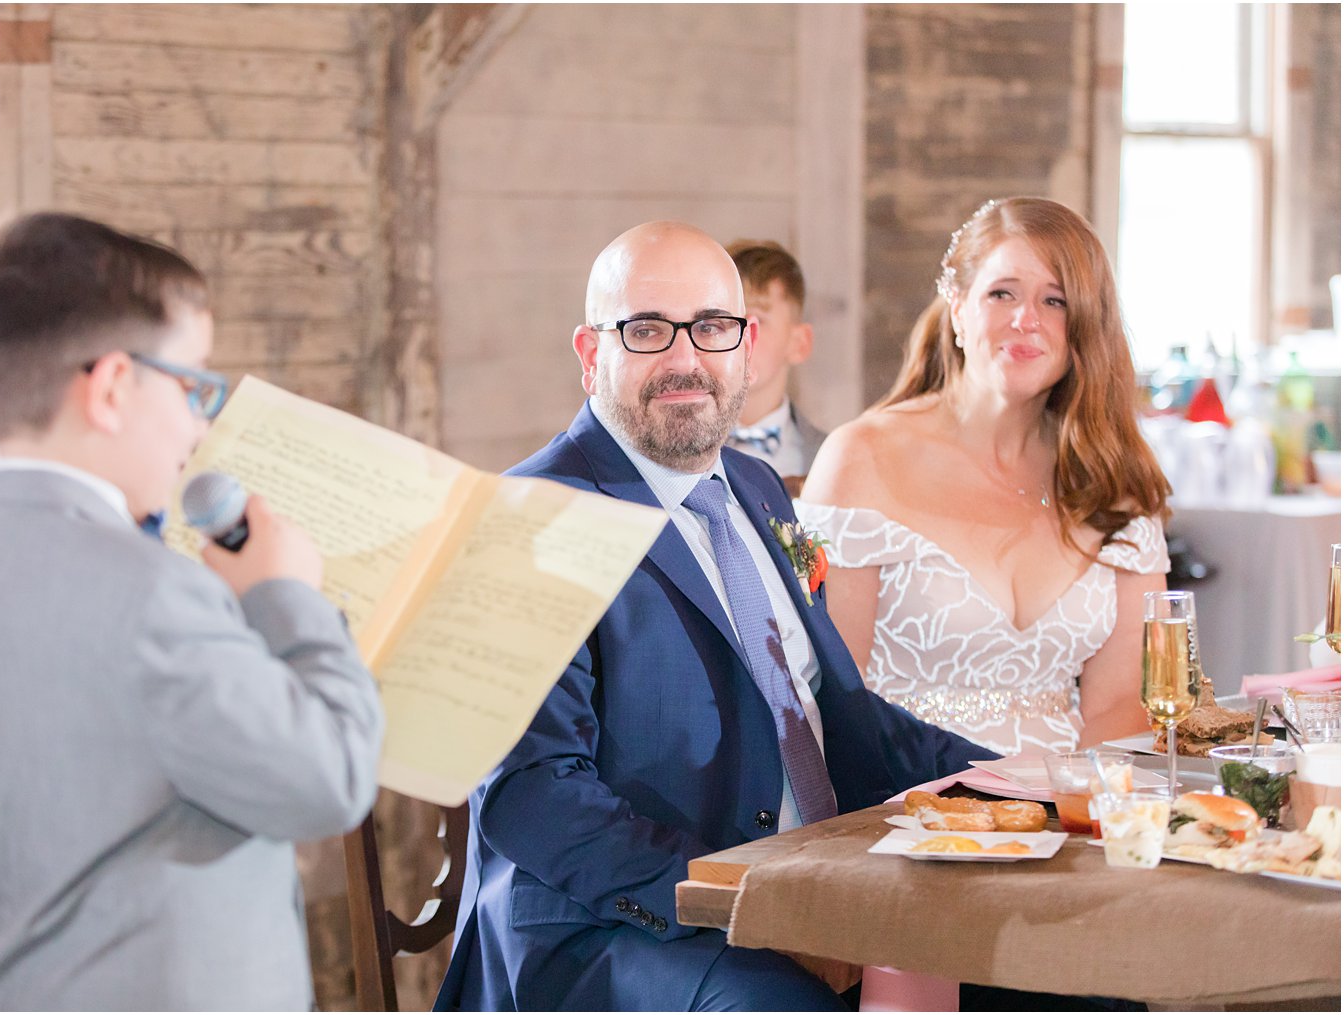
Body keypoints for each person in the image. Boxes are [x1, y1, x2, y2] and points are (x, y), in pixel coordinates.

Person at [434, 221, 996, 1013]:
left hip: (815, 885)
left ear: (748, 345)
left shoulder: (759, 488)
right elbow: (537, 797)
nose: (686, 359)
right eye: (647, 330)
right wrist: (748, 905)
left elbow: (833, 712)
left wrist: (1017, 784)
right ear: (591, 353)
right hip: (611, 931)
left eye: (711, 328)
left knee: (1073, 978)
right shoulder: (533, 517)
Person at [0, 213, 385, 1010]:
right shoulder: (155, 593)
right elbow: (329, 781)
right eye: (193, 383)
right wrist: (287, 593)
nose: (200, 424)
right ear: (113, 387)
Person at [797, 197, 1171, 756]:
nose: (1027, 319)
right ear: (958, 308)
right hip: (897, 808)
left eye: (1056, 300)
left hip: (1063, 817)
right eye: (1003, 293)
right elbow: (826, 690)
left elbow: (1121, 708)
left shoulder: (1111, 478)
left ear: (1086, 326)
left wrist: (1076, 820)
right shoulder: (859, 458)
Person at [724, 240, 826, 488]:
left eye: (757, 320)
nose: (741, 334)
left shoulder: (828, 458)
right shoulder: (667, 443)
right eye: (724, 318)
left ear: (799, 343)